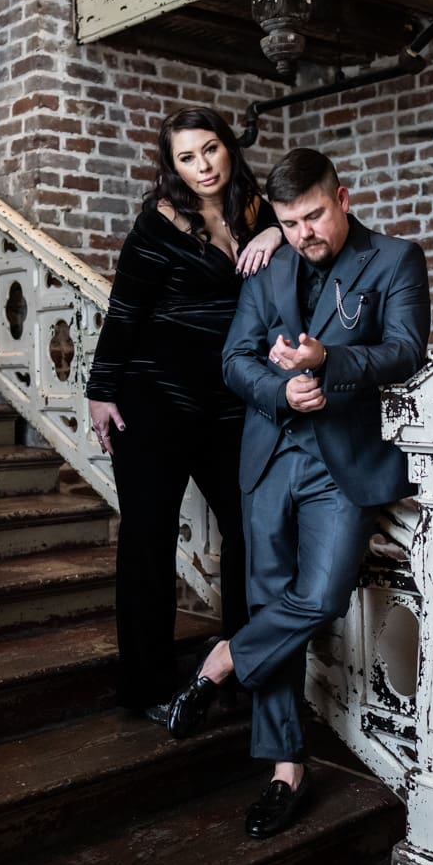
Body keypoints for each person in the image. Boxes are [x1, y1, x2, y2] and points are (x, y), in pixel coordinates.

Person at [167, 147, 430, 837]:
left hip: (343, 462)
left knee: (318, 595)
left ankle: (223, 660)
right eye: (288, 222)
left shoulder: (397, 259)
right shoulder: (270, 265)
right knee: (266, 600)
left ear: (342, 198)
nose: (303, 233)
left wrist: (328, 362)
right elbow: (234, 361)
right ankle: (285, 770)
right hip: (268, 456)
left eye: (313, 215)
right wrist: (282, 386)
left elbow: (405, 351)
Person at [86, 107, 283, 723]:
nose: (203, 167)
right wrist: (101, 390)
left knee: (251, 530)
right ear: (171, 167)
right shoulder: (158, 224)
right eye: (187, 158)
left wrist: (274, 233)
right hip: (152, 399)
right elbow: (125, 312)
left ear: (229, 148)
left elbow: (313, 233)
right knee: (147, 540)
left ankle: (241, 662)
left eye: (211, 150)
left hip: (229, 402)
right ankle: (146, 685)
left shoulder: (258, 212)